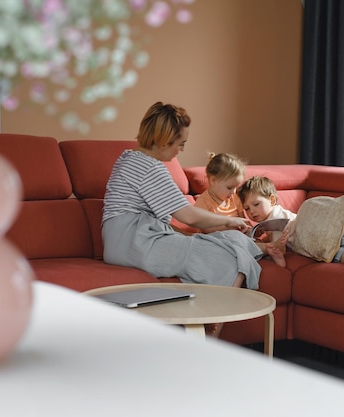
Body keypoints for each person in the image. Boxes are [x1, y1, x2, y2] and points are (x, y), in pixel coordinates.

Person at [102, 102, 264, 335]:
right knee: (224, 257)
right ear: (165, 140)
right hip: (134, 241)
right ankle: (211, 333)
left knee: (224, 242)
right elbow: (188, 216)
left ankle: (207, 327)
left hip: (127, 239)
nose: (182, 150)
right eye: (181, 144)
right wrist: (229, 221)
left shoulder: (129, 157)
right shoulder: (149, 167)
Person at [194, 152, 287, 266]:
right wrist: (228, 225)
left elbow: (242, 219)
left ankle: (270, 254)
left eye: (236, 187)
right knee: (236, 242)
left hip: (239, 238)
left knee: (253, 240)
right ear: (213, 181)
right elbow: (205, 228)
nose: (233, 192)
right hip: (217, 239)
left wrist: (250, 230)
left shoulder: (234, 198)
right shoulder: (203, 202)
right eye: (229, 187)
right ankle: (270, 248)